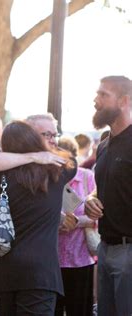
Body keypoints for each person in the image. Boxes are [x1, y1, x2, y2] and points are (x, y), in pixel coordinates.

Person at [0, 120, 76, 316]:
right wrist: (36, 156)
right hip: (41, 274)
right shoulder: (57, 170)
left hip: (4, 271)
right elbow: (71, 160)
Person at [85, 75, 132, 316]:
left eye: (103, 95)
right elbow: (100, 187)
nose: (96, 100)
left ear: (124, 101)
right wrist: (91, 199)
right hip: (104, 249)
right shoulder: (104, 144)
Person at [55, 136, 96, 316]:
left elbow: (100, 216)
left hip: (80, 259)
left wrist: (76, 222)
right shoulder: (49, 179)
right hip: (52, 261)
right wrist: (56, 221)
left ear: (74, 156)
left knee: (80, 310)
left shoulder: (88, 178)